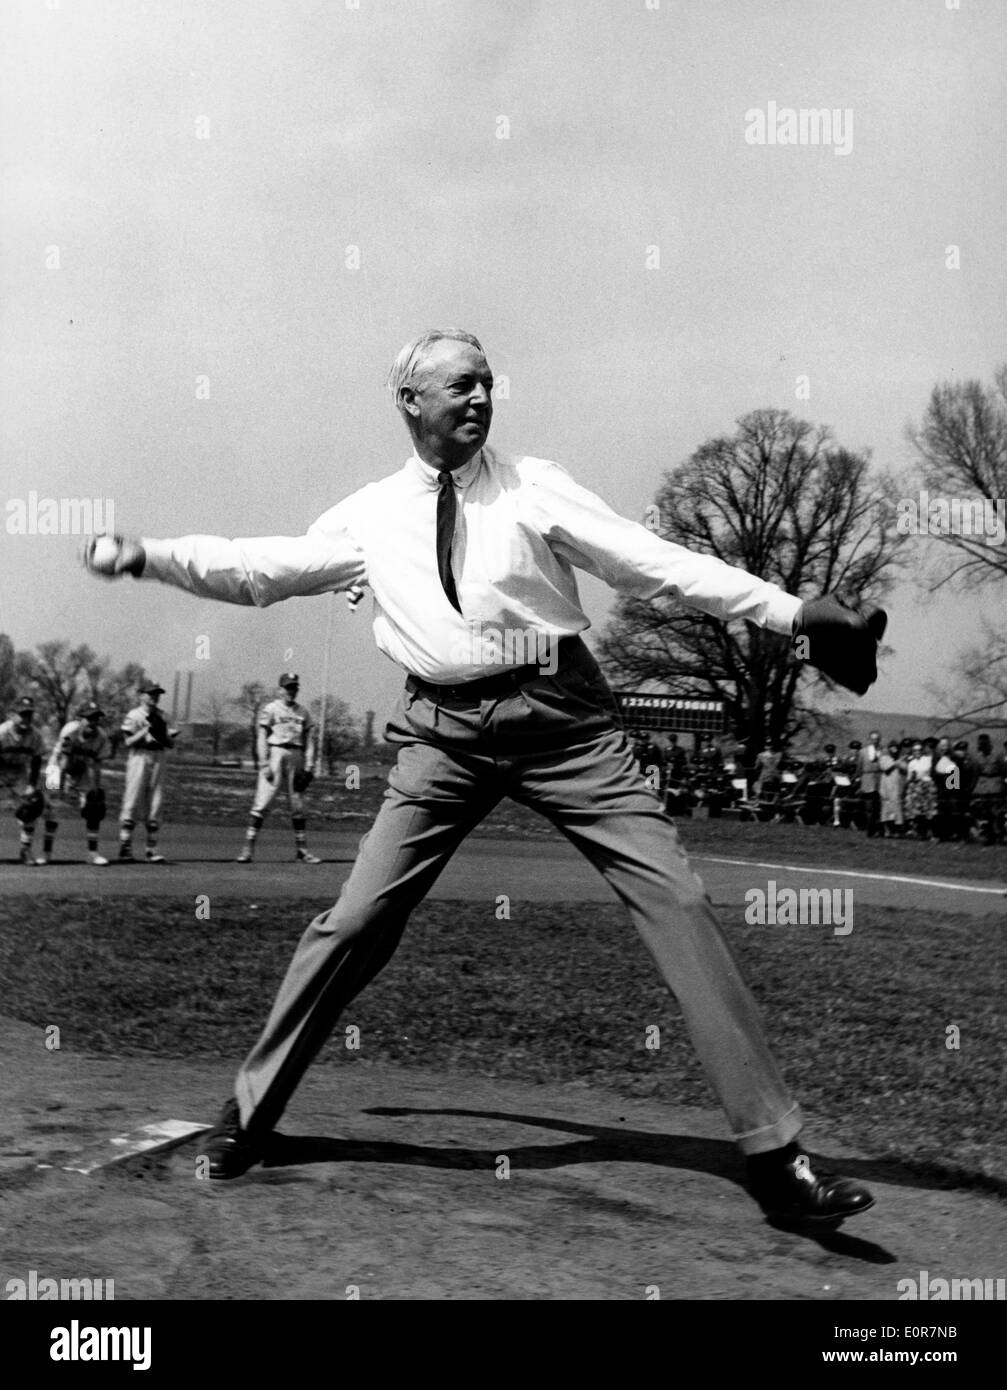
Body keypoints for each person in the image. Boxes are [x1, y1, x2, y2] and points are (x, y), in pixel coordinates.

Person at [82, 327, 885, 1227]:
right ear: (409, 403)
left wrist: (791, 613)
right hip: (443, 736)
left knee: (679, 903)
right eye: (457, 385)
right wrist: (149, 554)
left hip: (566, 727)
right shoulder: (368, 517)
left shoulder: (534, 487)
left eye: (485, 384)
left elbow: (652, 564)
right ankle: (250, 1114)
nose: (477, 397)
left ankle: (778, 1160)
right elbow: (257, 568)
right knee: (352, 922)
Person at [237, 674, 321, 864]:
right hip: (276, 753)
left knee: (298, 805)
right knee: (262, 803)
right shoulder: (271, 709)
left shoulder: (303, 713)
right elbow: (261, 737)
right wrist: (263, 763)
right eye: (288, 687)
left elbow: (310, 741)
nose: (291, 691)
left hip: (296, 756)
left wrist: (309, 765)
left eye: (294, 688)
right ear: (280, 689)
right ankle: (247, 849)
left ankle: (302, 850)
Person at [42, 700, 111, 865]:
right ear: (82, 719)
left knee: (94, 806)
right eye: (89, 718)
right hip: (56, 767)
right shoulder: (70, 730)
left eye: (96, 718)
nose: (93, 722)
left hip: (81, 769)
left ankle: (93, 854)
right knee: (53, 808)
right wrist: (58, 788)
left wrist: (95, 788)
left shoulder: (101, 737)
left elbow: (96, 765)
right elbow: (64, 761)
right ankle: (46, 853)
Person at [118, 680, 177, 862]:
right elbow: (127, 742)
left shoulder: (164, 716)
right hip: (139, 757)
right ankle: (125, 848)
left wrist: (162, 734)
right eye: (151, 693)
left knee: (156, 801)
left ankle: (151, 850)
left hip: (158, 757)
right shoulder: (134, 715)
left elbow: (171, 743)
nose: (155, 697)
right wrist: (146, 730)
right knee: (133, 799)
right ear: (141, 695)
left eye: (157, 693)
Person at [0, 696, 48, 864]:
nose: (26, 718)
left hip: (19, 772)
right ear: (12, 714)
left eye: (29, 714)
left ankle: (25, 850)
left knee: (32, 803)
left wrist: (31, 786)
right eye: (22, 714)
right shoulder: (2, 732)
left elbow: (36, 761)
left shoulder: (35, 735)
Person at [972, 734, 1005, 845]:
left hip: (996, 785)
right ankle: (987, 835)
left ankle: (999, 835)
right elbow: (976, 772)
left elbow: (1003, 770)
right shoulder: (977, 757)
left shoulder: (997, 755)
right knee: (984, 813)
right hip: (983, 787)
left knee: (997, 813)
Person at [904, 739, 937, 840]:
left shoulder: (927, 760)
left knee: (929, 811)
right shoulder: (911, 763)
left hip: (927, 786)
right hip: (915, 787)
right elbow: (909, 778)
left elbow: (927, 772)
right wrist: (912, 778)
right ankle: (920, 833)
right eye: (915, 750)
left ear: (922, 750)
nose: (917, 752)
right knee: (917, 812)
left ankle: (931, 833)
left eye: (919, 750)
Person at [855, 730, 883, 838]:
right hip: (867, 780)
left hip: (879, 780)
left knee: (878, 806)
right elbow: (859, 767)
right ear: (869, 740)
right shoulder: (863, 752)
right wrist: (858, 779)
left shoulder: (882, 751)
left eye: (877, 739)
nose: (875, 741)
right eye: (873, 739)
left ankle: (876, 828)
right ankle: (870, 829)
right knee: (869, 806)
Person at [877, 740, 906, 838]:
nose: (894, 750)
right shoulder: (884, 758)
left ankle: (896, 832)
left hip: (897, 788)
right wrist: (896, 763)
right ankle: (887, 831)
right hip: (886, 788)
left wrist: (899, 763)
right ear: (889, 748)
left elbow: (905, 769)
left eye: (896, 748)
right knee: (886, 810)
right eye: (892, 748)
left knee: (897, 810)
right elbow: (886, 768)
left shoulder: (901, 759)